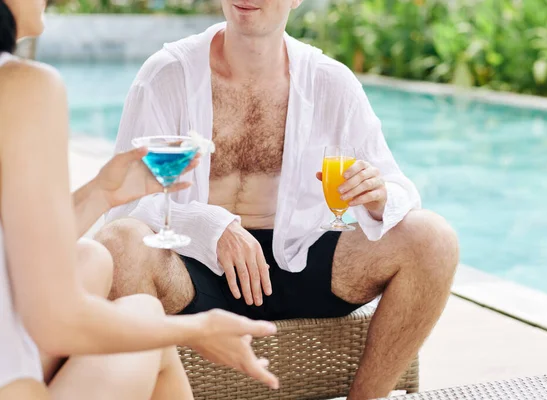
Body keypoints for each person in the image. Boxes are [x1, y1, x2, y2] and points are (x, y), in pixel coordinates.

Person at [97, 0, 460, 398]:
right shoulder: (168, 74)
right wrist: (209, 226)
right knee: (120, 244)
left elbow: (398, 189)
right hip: (194, 268)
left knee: (432, 239)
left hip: (300, 259)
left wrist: (377, 196)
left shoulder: (330, 82)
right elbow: (126, 201)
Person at [0, 1, 280, 399]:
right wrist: (200, 329)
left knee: (93, 259)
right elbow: (55, 320)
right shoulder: (21, 86)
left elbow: (14, 250)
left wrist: (101, 192)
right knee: (146, 319)